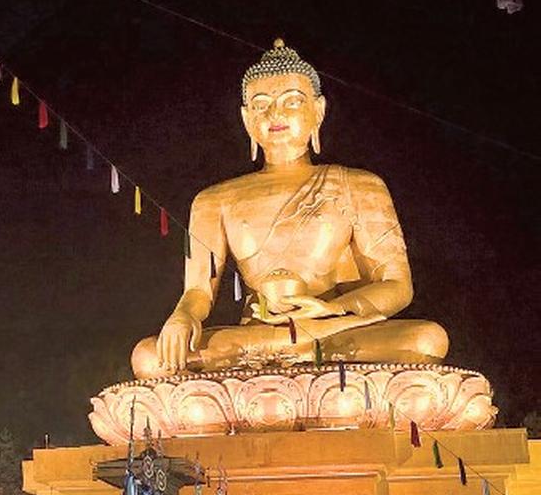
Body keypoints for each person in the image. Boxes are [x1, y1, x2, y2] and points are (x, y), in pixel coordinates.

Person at [131, 41, 449, 378]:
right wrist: (184, 316)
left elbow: (397, 285)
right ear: (246, 118)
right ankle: (295, 360)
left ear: (318, 111)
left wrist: (331, 309)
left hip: (334, 330)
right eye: (261, 105)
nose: (275, 115)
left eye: (292, 101)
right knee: (150, 357)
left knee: (426, 340)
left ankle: (284, 363)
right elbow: (198, 291)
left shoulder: (358, 185)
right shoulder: (214, 200)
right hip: (257, 336)